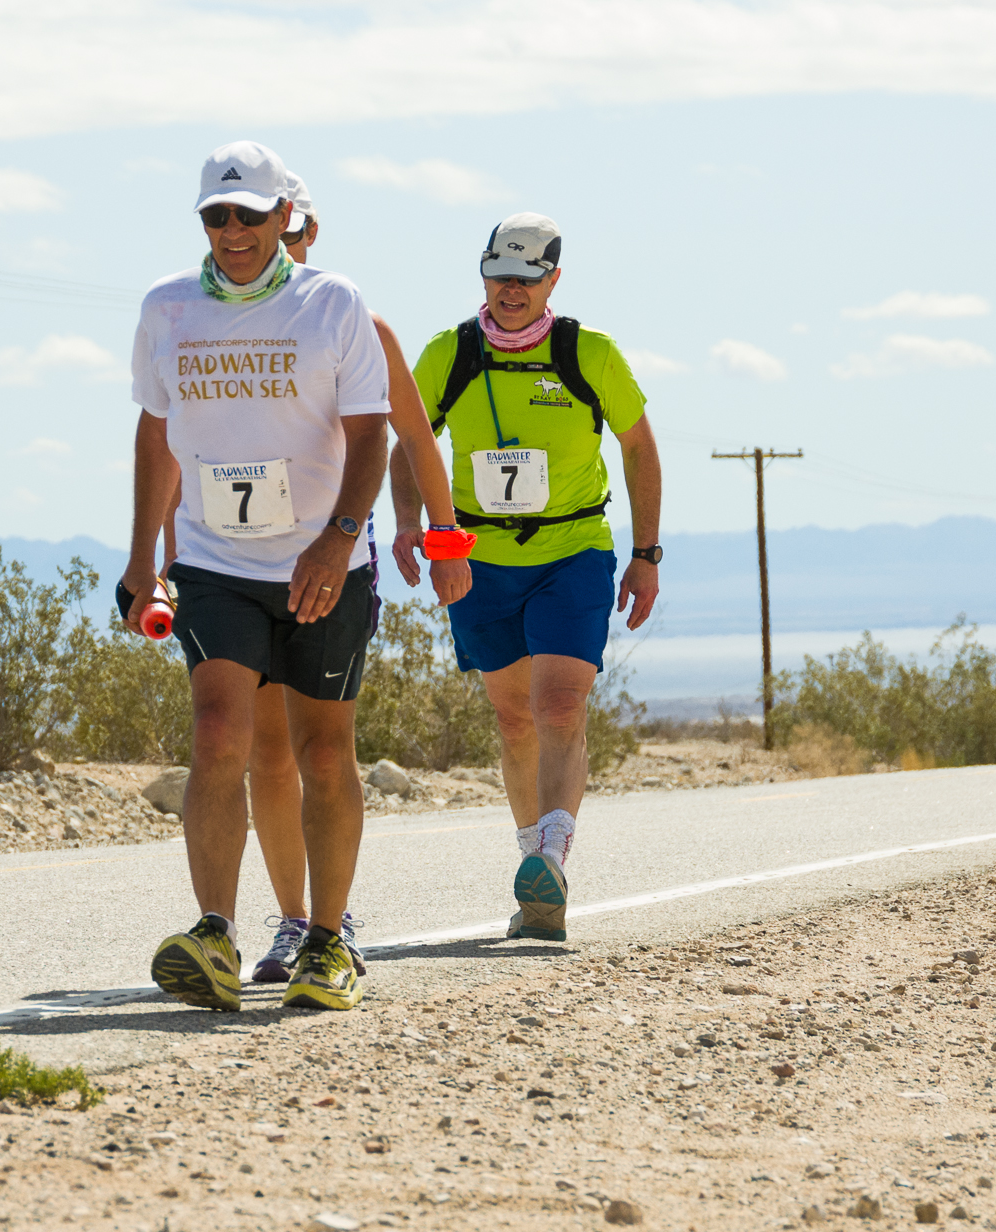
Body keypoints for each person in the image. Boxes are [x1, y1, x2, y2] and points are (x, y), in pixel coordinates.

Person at [123, 140, 395, 1012]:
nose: (232, 230)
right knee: (216, 737)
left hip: (324, 566)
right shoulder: (167, 308)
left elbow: (371, 435)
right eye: (216, 215)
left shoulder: (333, 304)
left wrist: (337, 539)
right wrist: (142, 559)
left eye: (248, 214)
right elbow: (155, 430)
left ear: (285, 217)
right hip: (214, 564)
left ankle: (327, 939)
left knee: (322, 751)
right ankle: (213, 932)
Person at [216, 172, 472, 984]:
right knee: (264, 753)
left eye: (285, 237)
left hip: (335, 559)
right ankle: (294, 922)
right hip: (239, 558)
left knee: (320, 751)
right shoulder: (211, 322)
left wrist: (444, 537)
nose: (269, 254)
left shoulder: (352, 320)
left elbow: (414, 436)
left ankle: (332, 921)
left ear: (305, 234)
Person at [392, 212, 662, 942]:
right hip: (479, 559)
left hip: (573, 548)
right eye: (498, 277)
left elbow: (638, 449)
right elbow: (409, 445)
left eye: (526, 279)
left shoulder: (589, 353)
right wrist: (410, 524)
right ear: (482, 275)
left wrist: (646, 553)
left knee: (559, 703)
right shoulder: (449, 353)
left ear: (553, 280)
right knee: (512, 717)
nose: (510, 291)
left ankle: (552, 856)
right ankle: (532, 872)